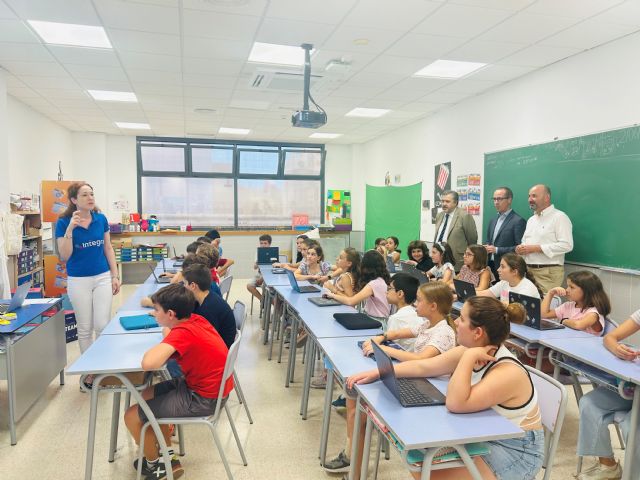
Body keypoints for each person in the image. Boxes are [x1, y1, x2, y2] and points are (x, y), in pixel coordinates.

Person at [347, 296, 544, 480]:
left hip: (516, 450)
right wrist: (379, 373)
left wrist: (467, 358)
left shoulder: (507, 371)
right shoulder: (471, 349)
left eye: (462, 319)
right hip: (482, 433)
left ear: (478, 333)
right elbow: (424, 366)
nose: (456, 322)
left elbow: (456, 403)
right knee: (420, 462)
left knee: (427, 471)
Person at [324, 279, 456, 477]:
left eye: (419, 301)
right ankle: (355, 471)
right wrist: (382, 337)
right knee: (358, 407)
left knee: (363, 408)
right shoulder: (427, 324)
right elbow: (399, 333)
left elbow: (421, 359)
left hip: (431, 392)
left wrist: (385, 350)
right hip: (417, 380)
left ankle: (355, 468)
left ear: (433, 306)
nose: (415, 304)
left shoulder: (444, 332)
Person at [123, 283, 232, 480]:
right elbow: (172, 339)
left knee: (132, 415)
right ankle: (168, 454)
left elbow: (148, 363)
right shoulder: (195, 319)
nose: (154, 313)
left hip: (204, 398)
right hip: (206, 387)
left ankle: (155, 464)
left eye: (156, 310)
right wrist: (168, 334)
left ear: (171, 314)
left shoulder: (183, 333)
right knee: (144, 396)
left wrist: (166, 339)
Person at [55, 182, 121, 385]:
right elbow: (65, 255)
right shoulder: (63, 222)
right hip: (78, 280)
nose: (90, 197)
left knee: (102, 324)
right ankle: (90, 370)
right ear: (74, 200)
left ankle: (104, 366)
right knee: (85, 328)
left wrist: (115, 275)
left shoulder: (100, 219)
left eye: (92, 194)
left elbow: (108, 248)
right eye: (84, 195)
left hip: (102, 277)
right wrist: (70, 229)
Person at [576, 310, 640, 480]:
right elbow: (609, 338)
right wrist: (618, 349)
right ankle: (608, 466)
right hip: (635, 386)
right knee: (589, 404)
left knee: (632, 426)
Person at [516, 184, 573, 294]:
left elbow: (567, 245)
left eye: (534, 196)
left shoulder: (559, 217)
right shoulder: (531, 220)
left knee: (543, 309)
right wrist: (520, 249)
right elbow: (525, 243)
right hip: (528, 271)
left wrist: (536, 248)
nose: (530, 200)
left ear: (547, 198)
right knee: (527, 309)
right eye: (529, 196)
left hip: (548, 273)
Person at [325, 250, 391, 321]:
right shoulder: (380, 280)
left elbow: (351, 301)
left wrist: (333, 293)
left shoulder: (374, 284)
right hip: (375, 318)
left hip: (377, 321)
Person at [541, 270, 611, 336]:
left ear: (586, 291)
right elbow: (544, 315)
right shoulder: (568, 306)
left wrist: (564, 320)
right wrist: (550, 293)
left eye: (572, 287)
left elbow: (578, 325)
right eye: (568, 286)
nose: (567, 290)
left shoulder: (593, 313)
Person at [183, 264, 236, 348]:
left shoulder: (208, 310)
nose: (183, 286)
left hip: (218, 350)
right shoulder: (206, 296)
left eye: (185, 283)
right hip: (216, 344)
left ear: (193, 286)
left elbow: (205, 341)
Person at [484, 187, 526, 280]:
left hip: (507, 267)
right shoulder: (493, 219)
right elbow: (489, 240)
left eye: (499, 199)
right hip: (490, 264)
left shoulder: (518, 221)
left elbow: (519, 248)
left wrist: (497, 250)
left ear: (509, 200)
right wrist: (486, 247)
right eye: (494, 199)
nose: (496, 202)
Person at [433, 190, 478, 271]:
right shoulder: (439, 215)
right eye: (442, 201)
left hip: (456, 260)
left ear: (455, 203)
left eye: (447, 201)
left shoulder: (464, 216)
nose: (444, 204)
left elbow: (472, 240)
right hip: (440, 260)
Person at [478, 252, 542, 300]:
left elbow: (515, 314)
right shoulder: (504, 282)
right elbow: (484, 294)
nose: (498, 269)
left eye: (502, 267)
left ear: (514, 272)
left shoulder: (526, 290)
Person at [246, 234, 273, 303]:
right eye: (261, 243)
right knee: (249, 286)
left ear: (269, 244)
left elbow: (273, 269)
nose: (263, 245)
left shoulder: (273, 252)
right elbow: (255, 267)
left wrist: (262, 278)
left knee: (266, 288)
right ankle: (263, 301)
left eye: (265, 243)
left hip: (269, 275)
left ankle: (271, 304)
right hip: (259, 274)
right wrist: (259, 260)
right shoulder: (258, 252)